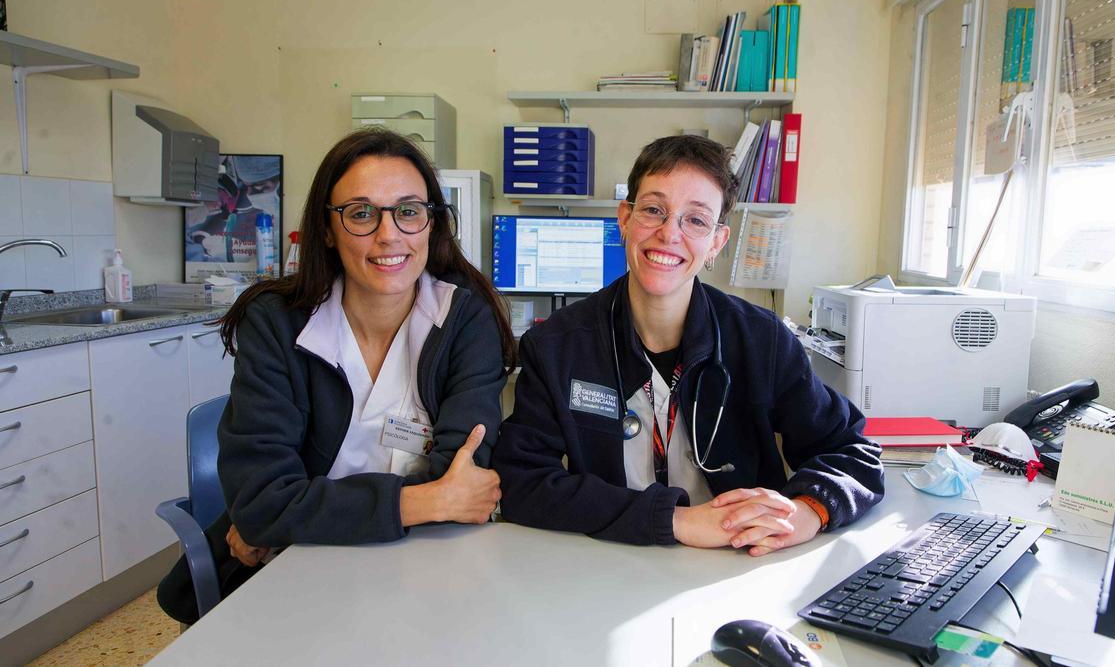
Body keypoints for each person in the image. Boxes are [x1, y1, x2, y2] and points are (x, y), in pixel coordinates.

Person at [158, 128, 516, 622]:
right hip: (292, 572)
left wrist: (292, 516)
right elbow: (262, 503)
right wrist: (423, 501)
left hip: (421, 566)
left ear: (431, 225)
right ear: (327, 229)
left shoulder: (466, 319)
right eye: (361, 213)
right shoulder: (277, 322)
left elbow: (463, 476)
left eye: (408, 211)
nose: (389, 235)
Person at [493, 135, 884, 555]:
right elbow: (521, 480)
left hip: (737, 565)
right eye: (653, 210)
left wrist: (806, 511)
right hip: (610, 562)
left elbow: (853, 451)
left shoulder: (762, 340)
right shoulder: (556, 345)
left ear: (716, 242)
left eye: (696, 220)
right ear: (624, 218)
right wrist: (674, 519)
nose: (668, 234)